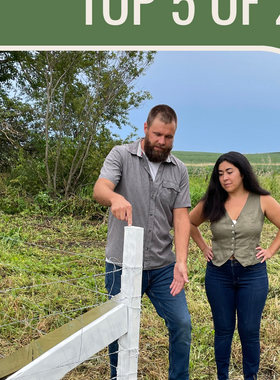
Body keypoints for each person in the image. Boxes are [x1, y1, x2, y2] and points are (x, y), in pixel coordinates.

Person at [93, 104, 192, 380]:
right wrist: (115, 198)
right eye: (158, 134)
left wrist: (181, 262)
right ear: (146, 129)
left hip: (163, 266)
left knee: (182, 324)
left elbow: (182, 219)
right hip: (121, 263)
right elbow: (100, 188)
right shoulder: (121, 155)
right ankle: (117, 376)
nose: (162, 142)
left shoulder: (179, 170)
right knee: (117, 328)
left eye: (168, 137)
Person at [189, 152, 280, 380]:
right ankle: (222, 376)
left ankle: (250, 377)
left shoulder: (261, 200)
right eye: (220, 173)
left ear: (243, 172)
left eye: (229, 172)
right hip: (218, 274)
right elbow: (189, 222)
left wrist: (271, 251)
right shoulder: (212, 200)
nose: (224, 178)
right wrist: (204, 247)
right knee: (223, 331)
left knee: (249, 332)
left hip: (252, 274)